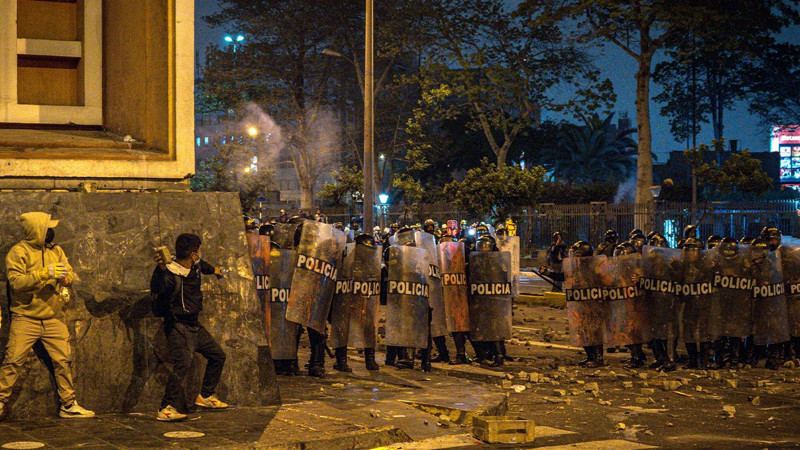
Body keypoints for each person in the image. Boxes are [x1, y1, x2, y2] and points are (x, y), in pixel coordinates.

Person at [0, 212, 95, 420]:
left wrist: (66, 278)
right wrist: (44, 273)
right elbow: (16, 283)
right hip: (25, 316)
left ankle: (68, 405)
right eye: (46, 228)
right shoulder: (19, 252)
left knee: (63, 360)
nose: (50, 232)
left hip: (53, 316)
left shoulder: (55, 250)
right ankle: (0, 402)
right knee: (13, 361)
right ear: (36, 230)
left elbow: (69, 272)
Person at [151, 233, 228, 422]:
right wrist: (160, 268)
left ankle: (206, 396)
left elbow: (205, 265)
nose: (200, 255)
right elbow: (158, 287)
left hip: (194, 326)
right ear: (193, 254)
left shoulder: (195, 265)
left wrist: (216, 270)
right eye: (199, 251)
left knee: (218, 355)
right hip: (178, 326)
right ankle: (166, 408)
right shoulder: (170, 273)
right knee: (182, 365)